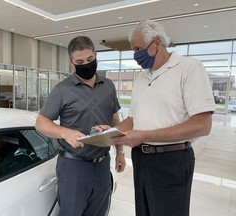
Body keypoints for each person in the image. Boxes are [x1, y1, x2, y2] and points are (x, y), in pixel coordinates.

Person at [111, 20, 215, 216]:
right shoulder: (141, 78)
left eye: (138, 48)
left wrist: (143, 135)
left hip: (171, 160)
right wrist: (108, 133)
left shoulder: (189, 68)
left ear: (157, 42)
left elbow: (202, 125)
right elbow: (132, 120)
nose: (135, 55)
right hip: (141, 159)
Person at [35, 36, 126, 216]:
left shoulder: (108, 85)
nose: (86, 64)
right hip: (73, 166)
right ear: (72, 63)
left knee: (99, 212)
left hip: (102, 164)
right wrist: (65, 132)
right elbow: (41, 123)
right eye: (80, 61)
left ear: (96, 56)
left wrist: (120, 152)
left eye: (90, 59)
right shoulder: (62, 90)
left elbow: (116, 120)